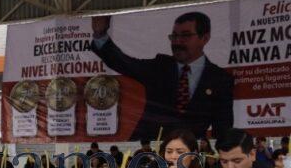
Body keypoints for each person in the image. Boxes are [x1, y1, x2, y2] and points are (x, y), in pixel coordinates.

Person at [90, 12, 234, 140]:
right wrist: (100, 35)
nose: (177, 42)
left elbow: (223, 129)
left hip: (190, 156)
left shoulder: (220, 79)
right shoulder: (159, 66)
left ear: (205, 38)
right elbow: (124, 63)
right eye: (174, 36)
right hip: (147, 151)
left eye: (185, 35)